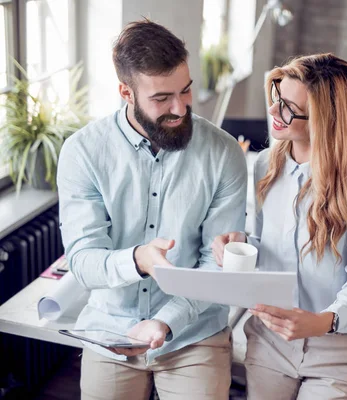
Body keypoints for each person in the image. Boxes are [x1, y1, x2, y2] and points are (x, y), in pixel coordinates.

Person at [57, 19, 247, 400]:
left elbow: (217, 264)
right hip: (110, 329)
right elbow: (83, 261)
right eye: (162, 98)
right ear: (126, 92)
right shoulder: (83, 153)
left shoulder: (224, 152)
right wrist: (139, 259)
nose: (180, 108)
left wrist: (165, 320)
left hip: (193, 332)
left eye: (186, 90)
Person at [212, 53, 347, 399]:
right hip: (270, 342)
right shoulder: (264, 164)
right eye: (277, 98)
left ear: (326, 120)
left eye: (289, 108)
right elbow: (267, 245)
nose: (274, 112)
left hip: (340, 349)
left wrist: (322, 322)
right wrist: (242, 243)